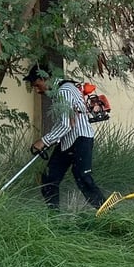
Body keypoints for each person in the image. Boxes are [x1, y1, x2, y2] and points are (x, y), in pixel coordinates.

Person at [25, 64, 106, 210]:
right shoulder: (59, 93)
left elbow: (66, 124)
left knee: (83, 178)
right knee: (49, 178)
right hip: (67, 142)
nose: (37, 90)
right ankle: (54, 218)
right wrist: (52, 140)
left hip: (81, 139)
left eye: (37, 85)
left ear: (45, 78)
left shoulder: (65, 91)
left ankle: (107, 212)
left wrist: (43, 141)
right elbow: (64, 124)